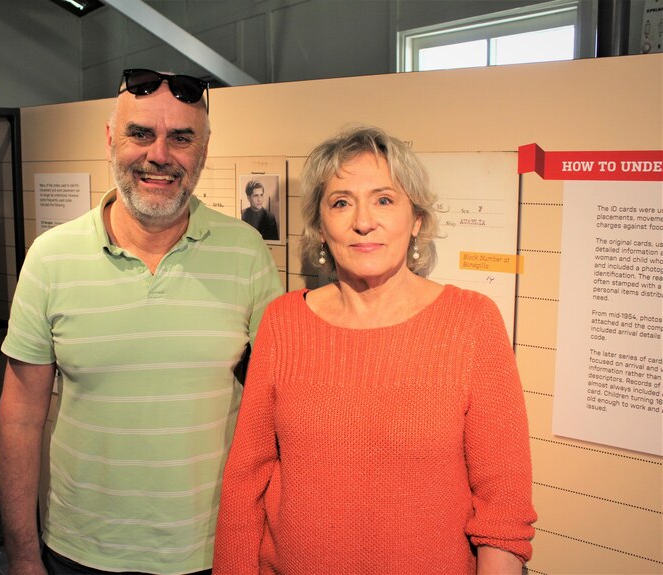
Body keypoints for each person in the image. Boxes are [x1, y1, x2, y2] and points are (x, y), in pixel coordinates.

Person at [0, 68, 283, 575]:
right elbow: (19, 420)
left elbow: (276, 408)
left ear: (205, 148)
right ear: (110, 138)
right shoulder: (50, 257)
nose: (159, 155)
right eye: (141, 133)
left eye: (181, 138)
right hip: (81, 551)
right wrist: (21, 556)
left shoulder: (246, 251)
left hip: (214, 549)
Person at [213, 126, 536, 574]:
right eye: (341, 202)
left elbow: (503, 506)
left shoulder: (472, 322)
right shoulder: (283, 322)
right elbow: (246, 481)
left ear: (416, 219)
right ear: (321, 226)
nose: (363, 220)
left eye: (384, 199)